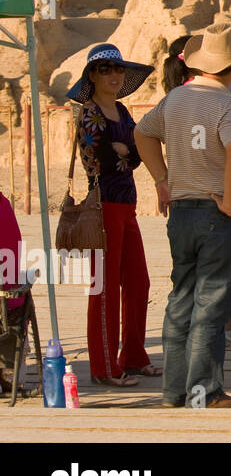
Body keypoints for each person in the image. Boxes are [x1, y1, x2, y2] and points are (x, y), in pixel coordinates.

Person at [135, 24, 231, 409]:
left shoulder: (175, 100)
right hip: (215, 213)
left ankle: (174, 390)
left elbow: (142, 133)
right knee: (212, 303)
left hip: (181, 210)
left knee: (180, 299)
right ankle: (205, 390)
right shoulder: (228, 106)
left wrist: (162, 180)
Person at [67, 44, 158, 387]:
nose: (114, 75)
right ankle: (104, 366)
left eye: (118, 68)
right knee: (104, 289)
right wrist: (124, 152)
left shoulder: (122, 110)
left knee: (138, 283)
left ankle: (133, 357)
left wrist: (124, 151)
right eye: (105, 69)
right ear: (92, 75)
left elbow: (134, 155)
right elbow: (99, 160)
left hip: (128, 206)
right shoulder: (90, 113)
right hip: (102, 208)